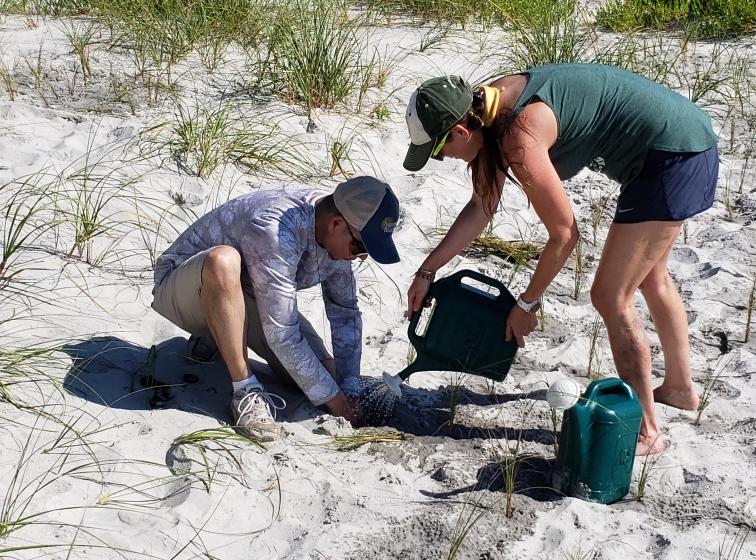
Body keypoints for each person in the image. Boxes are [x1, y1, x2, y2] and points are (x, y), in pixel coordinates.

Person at [403, 66, 719, 456]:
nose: (443, 159)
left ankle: (645, 432)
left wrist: (527, 303)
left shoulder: (519, 137)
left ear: (460, 132)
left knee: (610, 296)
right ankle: (680, 389)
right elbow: (481, 207)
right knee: (652, 278)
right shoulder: (490, 105)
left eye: (438, 151)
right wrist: (427, 270)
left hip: (674, 155)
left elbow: (565, 235)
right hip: (678, 143)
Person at [152, 176, 400, 441]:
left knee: (325, 379)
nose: (359, 257)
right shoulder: (276, 229)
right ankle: (244, 389)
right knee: (223, 261)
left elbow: (345, 313)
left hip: (249, 294)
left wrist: (348, 387)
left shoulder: (336, 233)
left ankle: (215, 336)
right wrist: (338, 404)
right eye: (360, 248)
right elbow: (282, 334)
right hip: (183, 288)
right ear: (336, 224)